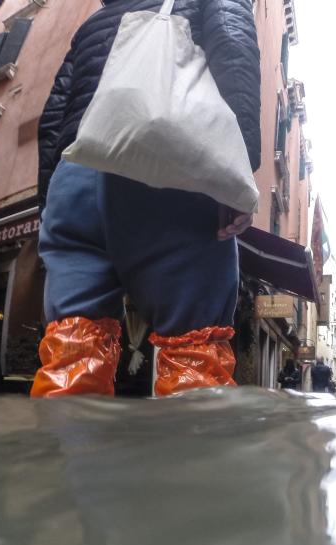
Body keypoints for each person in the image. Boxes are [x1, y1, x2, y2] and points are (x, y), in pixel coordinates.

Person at [31, 0, 260, 397]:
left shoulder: (92, 25)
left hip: (74, 184)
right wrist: (236, 179)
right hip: (167, 176)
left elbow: (53, 119)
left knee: (72, 350)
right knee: (193, 354)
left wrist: (49, 206)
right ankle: (188, 458)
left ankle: (69, 451)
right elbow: (235, 63)